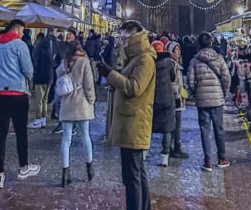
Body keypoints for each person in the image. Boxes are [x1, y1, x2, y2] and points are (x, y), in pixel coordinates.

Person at [98, 20, 156, 210]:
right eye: (120, 37)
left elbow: (134, 87)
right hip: (130, 123)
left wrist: (111, 74)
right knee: (136, 173)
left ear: (135, 36)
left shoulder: (145, 59)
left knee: (132, 177)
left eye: (124, 38)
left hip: (135, 123)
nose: (121, 41)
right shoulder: (134, 58)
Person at [0, 18, 41, 189]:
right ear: (17, 30)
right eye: (22, 31)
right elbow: (28, 69)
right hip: (17, 93)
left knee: (0, 134)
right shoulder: (19, 45)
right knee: (20, 132)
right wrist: (27, 77)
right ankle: (23, 167)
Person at [187, 32, 231, 171]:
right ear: (212, 43)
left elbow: (190, 80)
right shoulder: (219, 59)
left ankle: (208, 162)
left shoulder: (195, 60)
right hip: (217, 99)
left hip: (202, 100)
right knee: (219, 129)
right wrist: (223, 93)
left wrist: (196, 92)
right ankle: (222, 158)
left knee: (205, 131)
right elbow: (226, 77)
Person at [57, 40, 96, 186]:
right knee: (85, 137)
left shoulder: (64, 62)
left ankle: (65, 173)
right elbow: (89, 85)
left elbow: (58, 77)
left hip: (67, 104)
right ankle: (89, 169)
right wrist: (91, 101)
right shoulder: (84, 62)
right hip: (81, 104)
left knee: (66, 140)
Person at [151, 40, 176, 166]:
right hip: (166, 98)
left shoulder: (149, 63)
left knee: (148, 126)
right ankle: (164, 157)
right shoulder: (169, 63)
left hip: (152, 99)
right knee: (167, 128)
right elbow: (173, 78)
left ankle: (144, 152)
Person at [53, 28, 78, 134]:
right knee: (58, 101)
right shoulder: (61, 46)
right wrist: (58, 67)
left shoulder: (78, 48)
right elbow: (56, 58)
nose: (68, 36)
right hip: (61, 78)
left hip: (73, 79)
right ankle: (61, 122)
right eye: (67, 34)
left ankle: (72, 126)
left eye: (70, 34)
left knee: (70, 102)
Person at [167, 40, 188, 159]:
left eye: (179, 50)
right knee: (175, 125)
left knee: (176, 125)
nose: (178, 53)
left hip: (177, 98)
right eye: (176, 50)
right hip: (175, 99)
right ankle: (174, 148)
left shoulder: (176, 64)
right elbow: (172, 83)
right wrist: (180, 91)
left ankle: (173, 147)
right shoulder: (172, 65)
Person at [29, 32, 53, 129]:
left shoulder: (37, 48)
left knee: (39, 100)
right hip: (49, 77)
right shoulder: (48, 48)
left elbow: (35, 63)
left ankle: (38, 119)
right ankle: (43, 119)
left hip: (40, 77)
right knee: (45, 100)